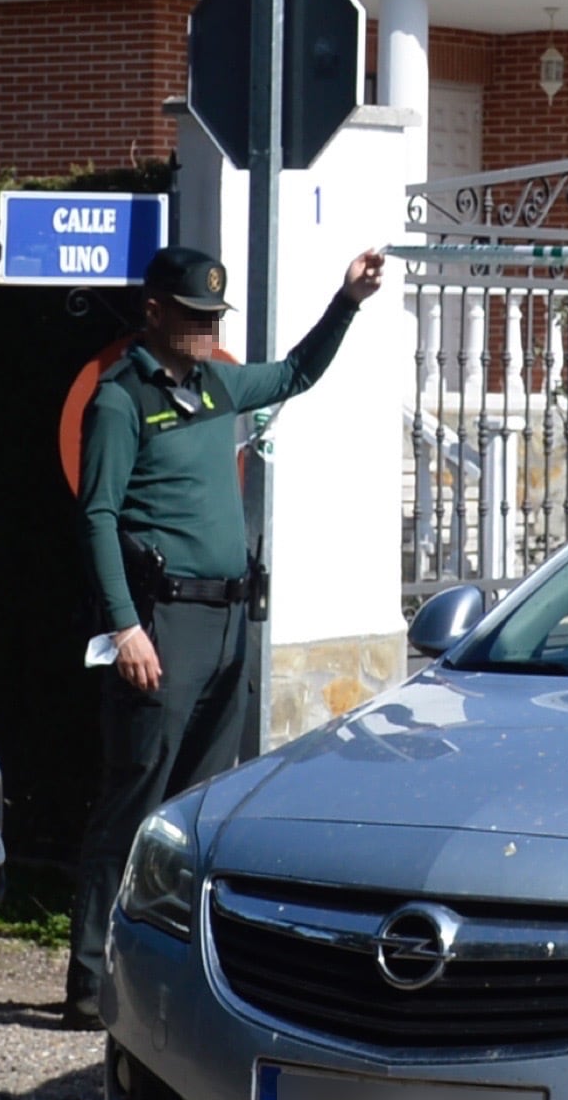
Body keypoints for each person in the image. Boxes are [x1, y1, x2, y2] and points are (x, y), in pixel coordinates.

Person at [65, 240, 387, 1024]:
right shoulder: (120, 398)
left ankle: (171, 967)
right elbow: (97, 517)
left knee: (200, 807)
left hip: (226, 620)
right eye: (192, 316)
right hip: (163, 623)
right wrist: (126, 628)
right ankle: (87, 978)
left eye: (214, 317)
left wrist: (345, 302)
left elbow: (295, 375)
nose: (206, 330)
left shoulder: (213, 385)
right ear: (154, 311)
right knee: (136, 795)